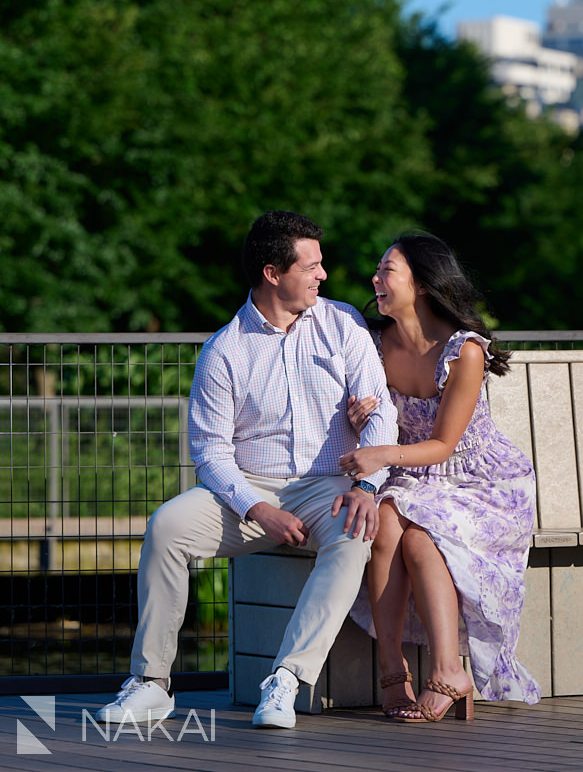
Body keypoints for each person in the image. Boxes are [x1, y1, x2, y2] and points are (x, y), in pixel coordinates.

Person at [98, 210, 397, 730]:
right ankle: (151, 684)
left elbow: (380, 413)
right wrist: (258, 508)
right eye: (311, 266)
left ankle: (286, 679)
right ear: (272, 273)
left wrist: (367, 485)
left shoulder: (344, 323)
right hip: (249, 491)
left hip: (329, 484)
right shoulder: (224, 350)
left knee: (355, 532)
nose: (322, 275)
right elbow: (211, 453)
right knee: (166, 525)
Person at [338, 233, 541, 722]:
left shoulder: (463, 351)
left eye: (388, 270)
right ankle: (394, 670)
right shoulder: (374, 344)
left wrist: (381, 452)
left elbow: (444, 446)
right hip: (415, 478)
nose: (376, 279)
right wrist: (359, 409)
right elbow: (365, 408)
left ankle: (450, 670)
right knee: (384, 522)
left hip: (480, 483)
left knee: (422, 538)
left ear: (422, 285)